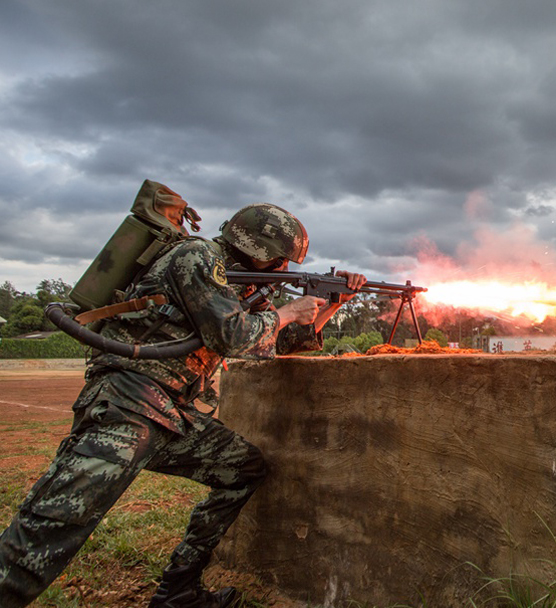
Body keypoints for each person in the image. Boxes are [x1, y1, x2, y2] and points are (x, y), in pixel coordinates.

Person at [0, 201, 364, 608]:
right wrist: (286, 311)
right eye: (281, 261)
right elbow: (233, 335)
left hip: (168, 412)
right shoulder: (198, 257)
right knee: (54, 522)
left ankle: (179, 592)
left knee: (241, 468)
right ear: (262, 254)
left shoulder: (236, 285)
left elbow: (276, 343)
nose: (284, 270)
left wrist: (334, 302)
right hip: (129, 404)